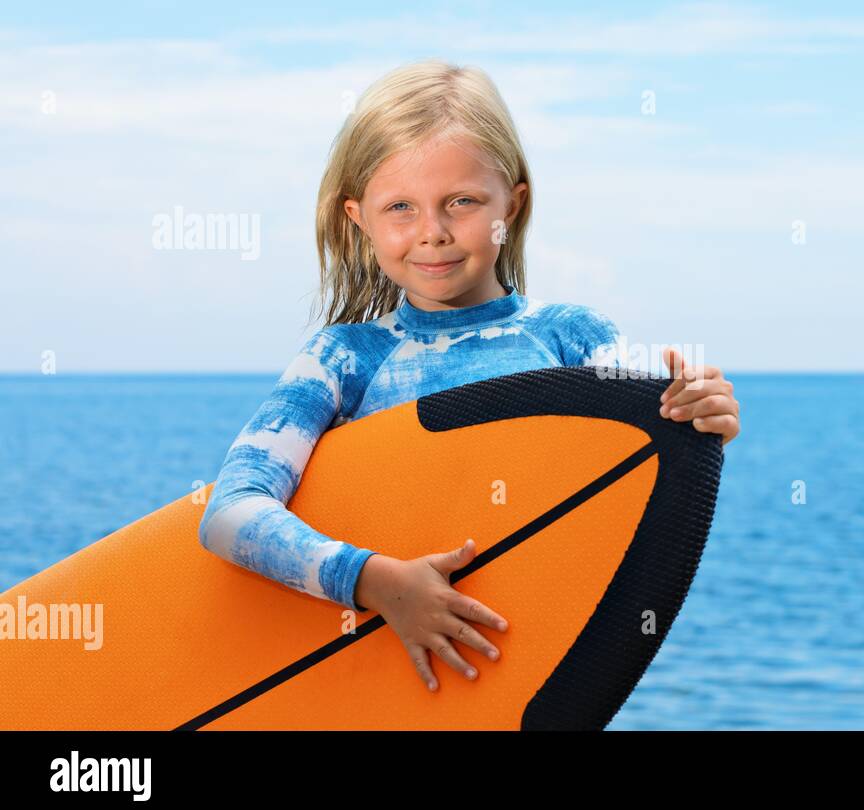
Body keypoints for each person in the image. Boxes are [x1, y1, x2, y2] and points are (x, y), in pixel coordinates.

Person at [198, 58, 741, 694]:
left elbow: (641, 460)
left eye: (462, 202)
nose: (432, 233)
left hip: (529, 679)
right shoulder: (345, 359)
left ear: (514, 202)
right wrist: (378, 582)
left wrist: (699, 418)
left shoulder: (574, 337)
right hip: (385, 686)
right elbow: (230, 513)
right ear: (359, 219)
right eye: (400, 207)